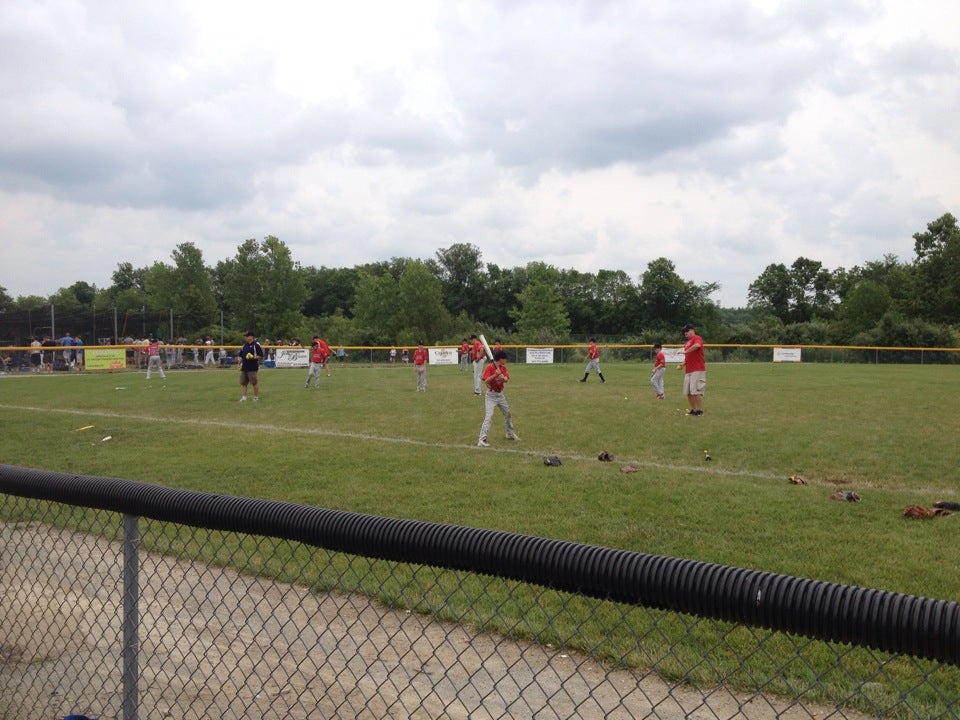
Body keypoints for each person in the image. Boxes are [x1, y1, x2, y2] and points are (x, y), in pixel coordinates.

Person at [477, 350, 519, 447]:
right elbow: (486, 381)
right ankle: (481, 440)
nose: (506, 360)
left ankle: (510, 433)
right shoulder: (489, 367)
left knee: (508, 414)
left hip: (500, 395)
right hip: (491, 396)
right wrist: (495, 375)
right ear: (501, 359)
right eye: (505, 359)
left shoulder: (503, 368)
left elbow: (506, 379)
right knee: (489, 416)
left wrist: (503, 378)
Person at [679, 323, 706, 415]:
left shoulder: (697, 338)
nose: (685, 333)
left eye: (687, 331)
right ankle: (693, 410)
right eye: (684, 332)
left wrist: (685, 351)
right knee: (688, 392)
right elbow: (688, 357)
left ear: (692, 330)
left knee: (696, 391)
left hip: (697, 369)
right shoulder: (687, 343)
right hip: (689, 370)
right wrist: (683, 364)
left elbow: (697, 346)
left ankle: (699, 410)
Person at [238, 330, 264, 401]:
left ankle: (256, 397)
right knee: (243, 383)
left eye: (247, 336)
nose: (246, 337)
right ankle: (244, 397)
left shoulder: (256, 345)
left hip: (252, 367)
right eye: (246, 336)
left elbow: (261, 355)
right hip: (244, 367)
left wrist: (252, 357)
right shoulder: (244, 345)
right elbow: (241, 356)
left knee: (254, 383)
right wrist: (239, 363)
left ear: (251, 337)